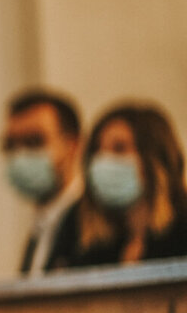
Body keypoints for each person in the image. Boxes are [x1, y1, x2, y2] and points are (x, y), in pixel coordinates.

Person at [66, 102, 187, 267]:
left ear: (155, 158)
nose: (104, 161)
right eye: (97, 151)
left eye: (119, 148)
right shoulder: (95, 245)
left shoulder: (181, 231)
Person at [0, 88, 82, 274]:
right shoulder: (40, 226)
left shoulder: (93, 224)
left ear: (72, 146)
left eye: (34, 142)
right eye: (10, 145)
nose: (20, 155)